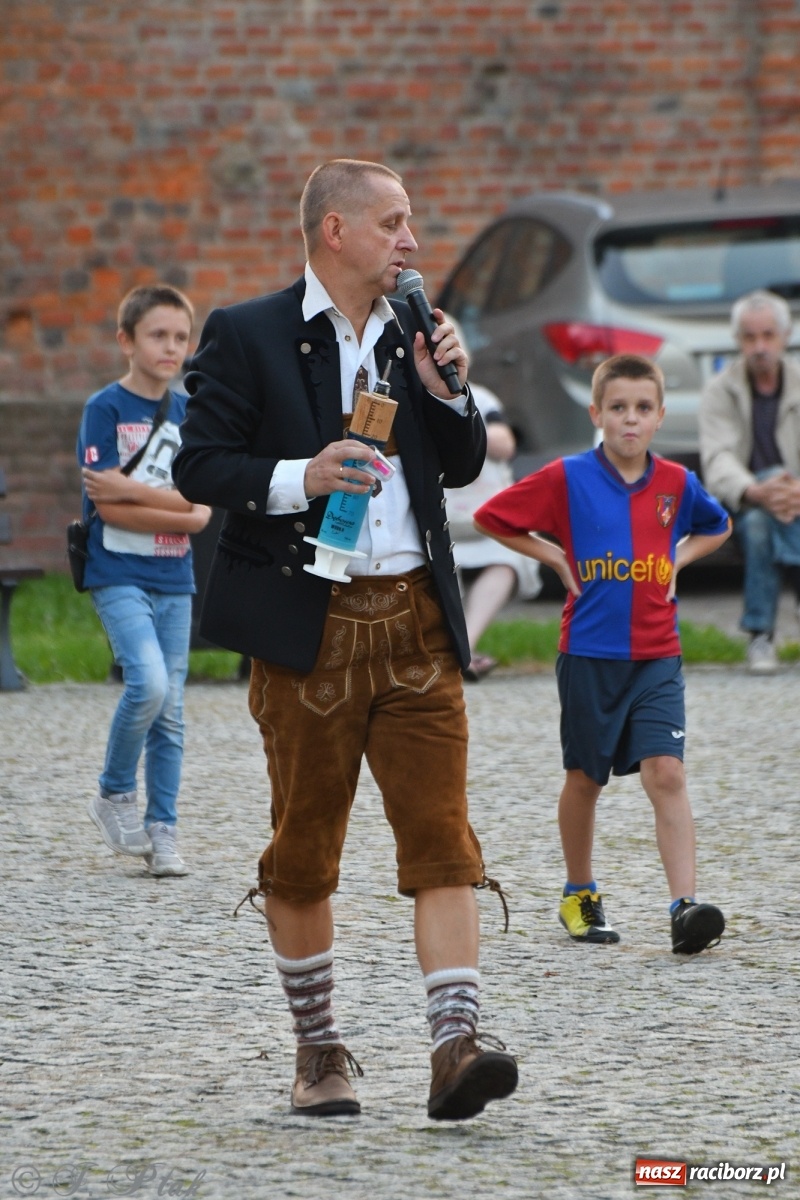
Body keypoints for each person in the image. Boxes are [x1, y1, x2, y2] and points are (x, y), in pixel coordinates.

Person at [172, 159, 518, 1121]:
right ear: (336, 231)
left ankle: (455, 1048)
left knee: (445, 839)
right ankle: (317, 1051)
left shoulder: (417, 328)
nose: (412, 241)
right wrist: (303, 474)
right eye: (395, 223)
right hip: (306, 622)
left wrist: (447, 392)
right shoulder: (247, 333)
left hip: (415, 617)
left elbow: (453, 467)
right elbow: (202, 464)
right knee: (306, 846)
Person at [474, 353, 731, 954]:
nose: (630, 420)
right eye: (618, 408)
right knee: (585, 778)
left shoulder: (675, 482)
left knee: (666, 772)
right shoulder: (567, 477)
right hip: (589, 652)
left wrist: (678, 562)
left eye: (643, 408)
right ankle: (579, 893)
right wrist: (555, 557)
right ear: (597, 413)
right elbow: (492, 517)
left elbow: (715, 526)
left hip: (658, 653)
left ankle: (684, 908)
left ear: (661, 415)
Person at [77, 284, 211, 877]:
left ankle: (164, 830)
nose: (172, 347)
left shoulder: (190, 412)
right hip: (117, 571)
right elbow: (106, 512)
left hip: (174, 575)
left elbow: (202, 512)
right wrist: (171, 504)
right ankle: (112, 794)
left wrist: (129, 489)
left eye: (181, 337)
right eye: (158, 335)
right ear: (126, 340)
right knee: (149, 684)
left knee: (173, 710)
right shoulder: (103, 409)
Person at [699, 289, 800, 675]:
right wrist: (758, 490)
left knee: (763, 525)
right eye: (750, 337)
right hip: (743, 503)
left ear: (785, 336)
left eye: (768, 335)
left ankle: (760, 635)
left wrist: (793, 494)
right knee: (758, 516)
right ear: (738, 340)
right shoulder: (719, 391)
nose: (760, 346)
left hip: (793, 504)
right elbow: (718, 459)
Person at [444, 379, 542, 682]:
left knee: (507, 559)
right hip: (436, 517)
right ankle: (450, 650)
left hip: (483, 512)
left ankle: (465, 648)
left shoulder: (480, 397)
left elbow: (505, 443)